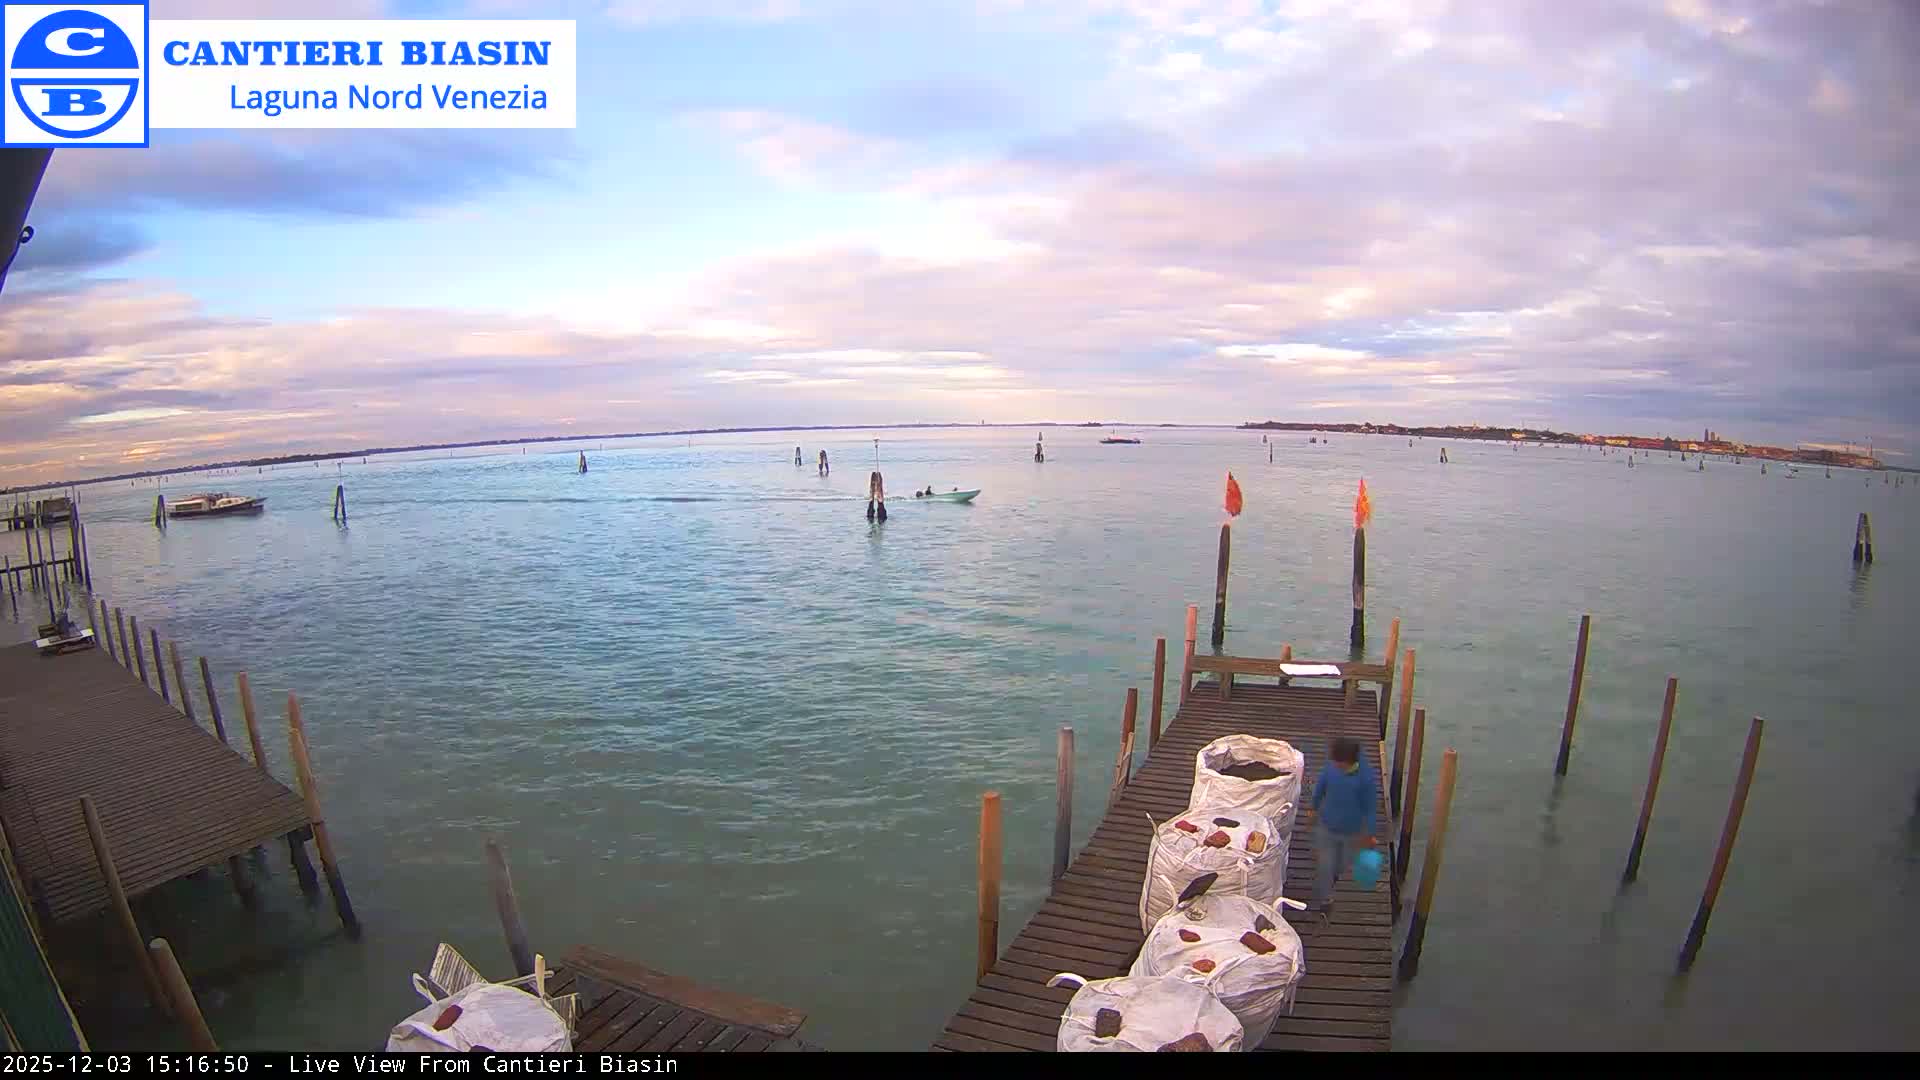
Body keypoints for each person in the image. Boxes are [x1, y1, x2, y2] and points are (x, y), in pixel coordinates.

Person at [1306, 736, 1377, 915]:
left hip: (1350, 833)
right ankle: (1326, 900)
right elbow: (1321, 786)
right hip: (1327, 827)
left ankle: (1332, 876)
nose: (1335, 765)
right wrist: (1313, 808)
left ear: (1349, 762)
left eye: (1339, 763)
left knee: (1341, 865)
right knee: (1326, 865)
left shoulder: (1365, 780)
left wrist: (1369, 833)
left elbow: (1370, 808)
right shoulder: (1331, 768)